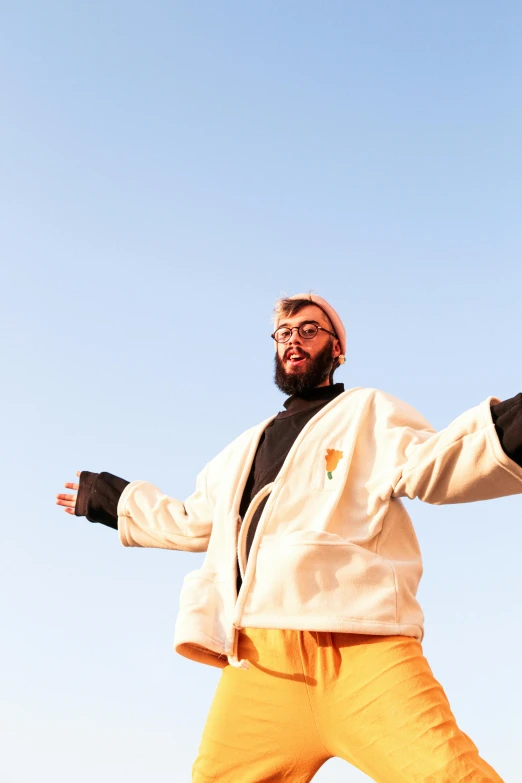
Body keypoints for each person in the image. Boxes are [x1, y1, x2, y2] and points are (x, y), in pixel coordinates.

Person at [56, 293, 522, 783]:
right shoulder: (243, 449)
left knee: (451, 775)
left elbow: (435, 463)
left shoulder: (367, 411)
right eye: (284, 333)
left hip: (366, 652)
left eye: (309, 329)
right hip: (261, 664)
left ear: (337, 348)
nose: (294, 339)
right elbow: (195, 521)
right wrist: (110, 498)